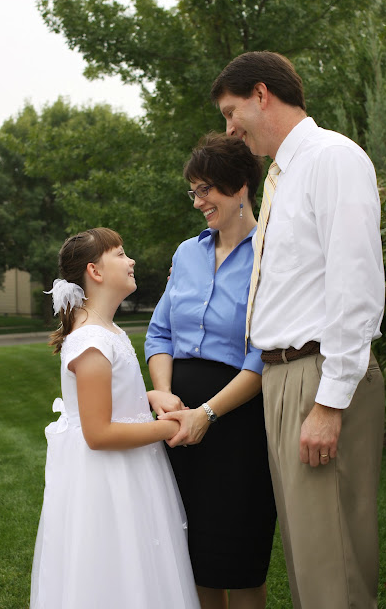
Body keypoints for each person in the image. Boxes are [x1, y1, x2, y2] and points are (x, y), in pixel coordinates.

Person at [210, 51, 385, 609]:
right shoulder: (284, 175)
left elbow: (355, 286)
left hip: (319, 376)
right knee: (310, 558)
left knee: (334, 565)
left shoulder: (332, 158)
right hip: (283, 377)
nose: (229, 129)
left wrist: (330, 403)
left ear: (262, 94)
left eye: (231, 111)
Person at [30, 227, 200, 609]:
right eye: (120, 254)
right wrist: (171, 426)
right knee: (117, 570)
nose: (131, 260)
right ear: (95, 271)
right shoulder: (91, 341)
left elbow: (110, 399)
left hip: (131, 470)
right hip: (108, 481)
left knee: (143, 569)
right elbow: (98, 432)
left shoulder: (107, 330)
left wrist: (150, 396)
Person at [145, 133, 277, 609]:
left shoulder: (272, 253)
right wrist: (164, 395)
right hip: (177, 422)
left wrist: (208, 414)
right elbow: (159, 333)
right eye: (194, 191)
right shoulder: (186, 253)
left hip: (237, 422)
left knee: (239, 559)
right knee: (193, 557)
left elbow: (263, 353)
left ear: (240, 187)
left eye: (206, 190)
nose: (198, 202)